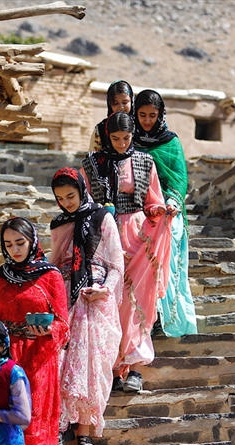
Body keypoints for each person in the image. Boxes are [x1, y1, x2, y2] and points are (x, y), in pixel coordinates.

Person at [81, 112, 175, 394]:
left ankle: (134, 369)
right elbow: (82, 201)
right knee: (109, 301)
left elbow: (152, 202)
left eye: (127, 138)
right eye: (115, 138)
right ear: (106, 136)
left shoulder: (146, 162)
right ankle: (110, 368)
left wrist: (162, 210)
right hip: (103, 238)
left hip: (138, 238)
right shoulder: (92, 164)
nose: (121, 143)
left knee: (137, 303)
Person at [0, 218, 68, 445]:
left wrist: (49, 331)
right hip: (5, 361)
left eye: (20, 243)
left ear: (32, 241)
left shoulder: (51, 276)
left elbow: (63, 324)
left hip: (39, 358)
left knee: (32, 424)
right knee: (3, 422)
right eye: (8, 244)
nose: (15, 250)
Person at [49, 167, 124, 445]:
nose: (67, 202)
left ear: (82, 189)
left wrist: (105, 290)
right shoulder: (59, 224)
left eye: (71, 196)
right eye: (60, 198)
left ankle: (83, 431)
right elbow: (55, 262)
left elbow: (116, 263)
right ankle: (59, 424)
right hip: (64, 297)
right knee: (62, 362)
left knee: (91, 366)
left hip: (94, 299)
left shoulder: (102, 216)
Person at [134, 89, 198, 337]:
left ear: (161, 115)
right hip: (139, 214)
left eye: (152, 115)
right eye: (142, 115)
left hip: (169, 213)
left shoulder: (171, 142)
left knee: (167, 269)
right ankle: (143, 320)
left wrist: (172, 201)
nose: (147, 120)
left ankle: (166, 319)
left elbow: (180, 177)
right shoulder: (130, 140)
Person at [89, 80, 133, 153]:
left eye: (125, 102)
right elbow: (92, 157)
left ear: (132, 101)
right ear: (109, 104)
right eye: (115, 103)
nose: (121, 107)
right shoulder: (101, 129)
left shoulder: (139, 126)